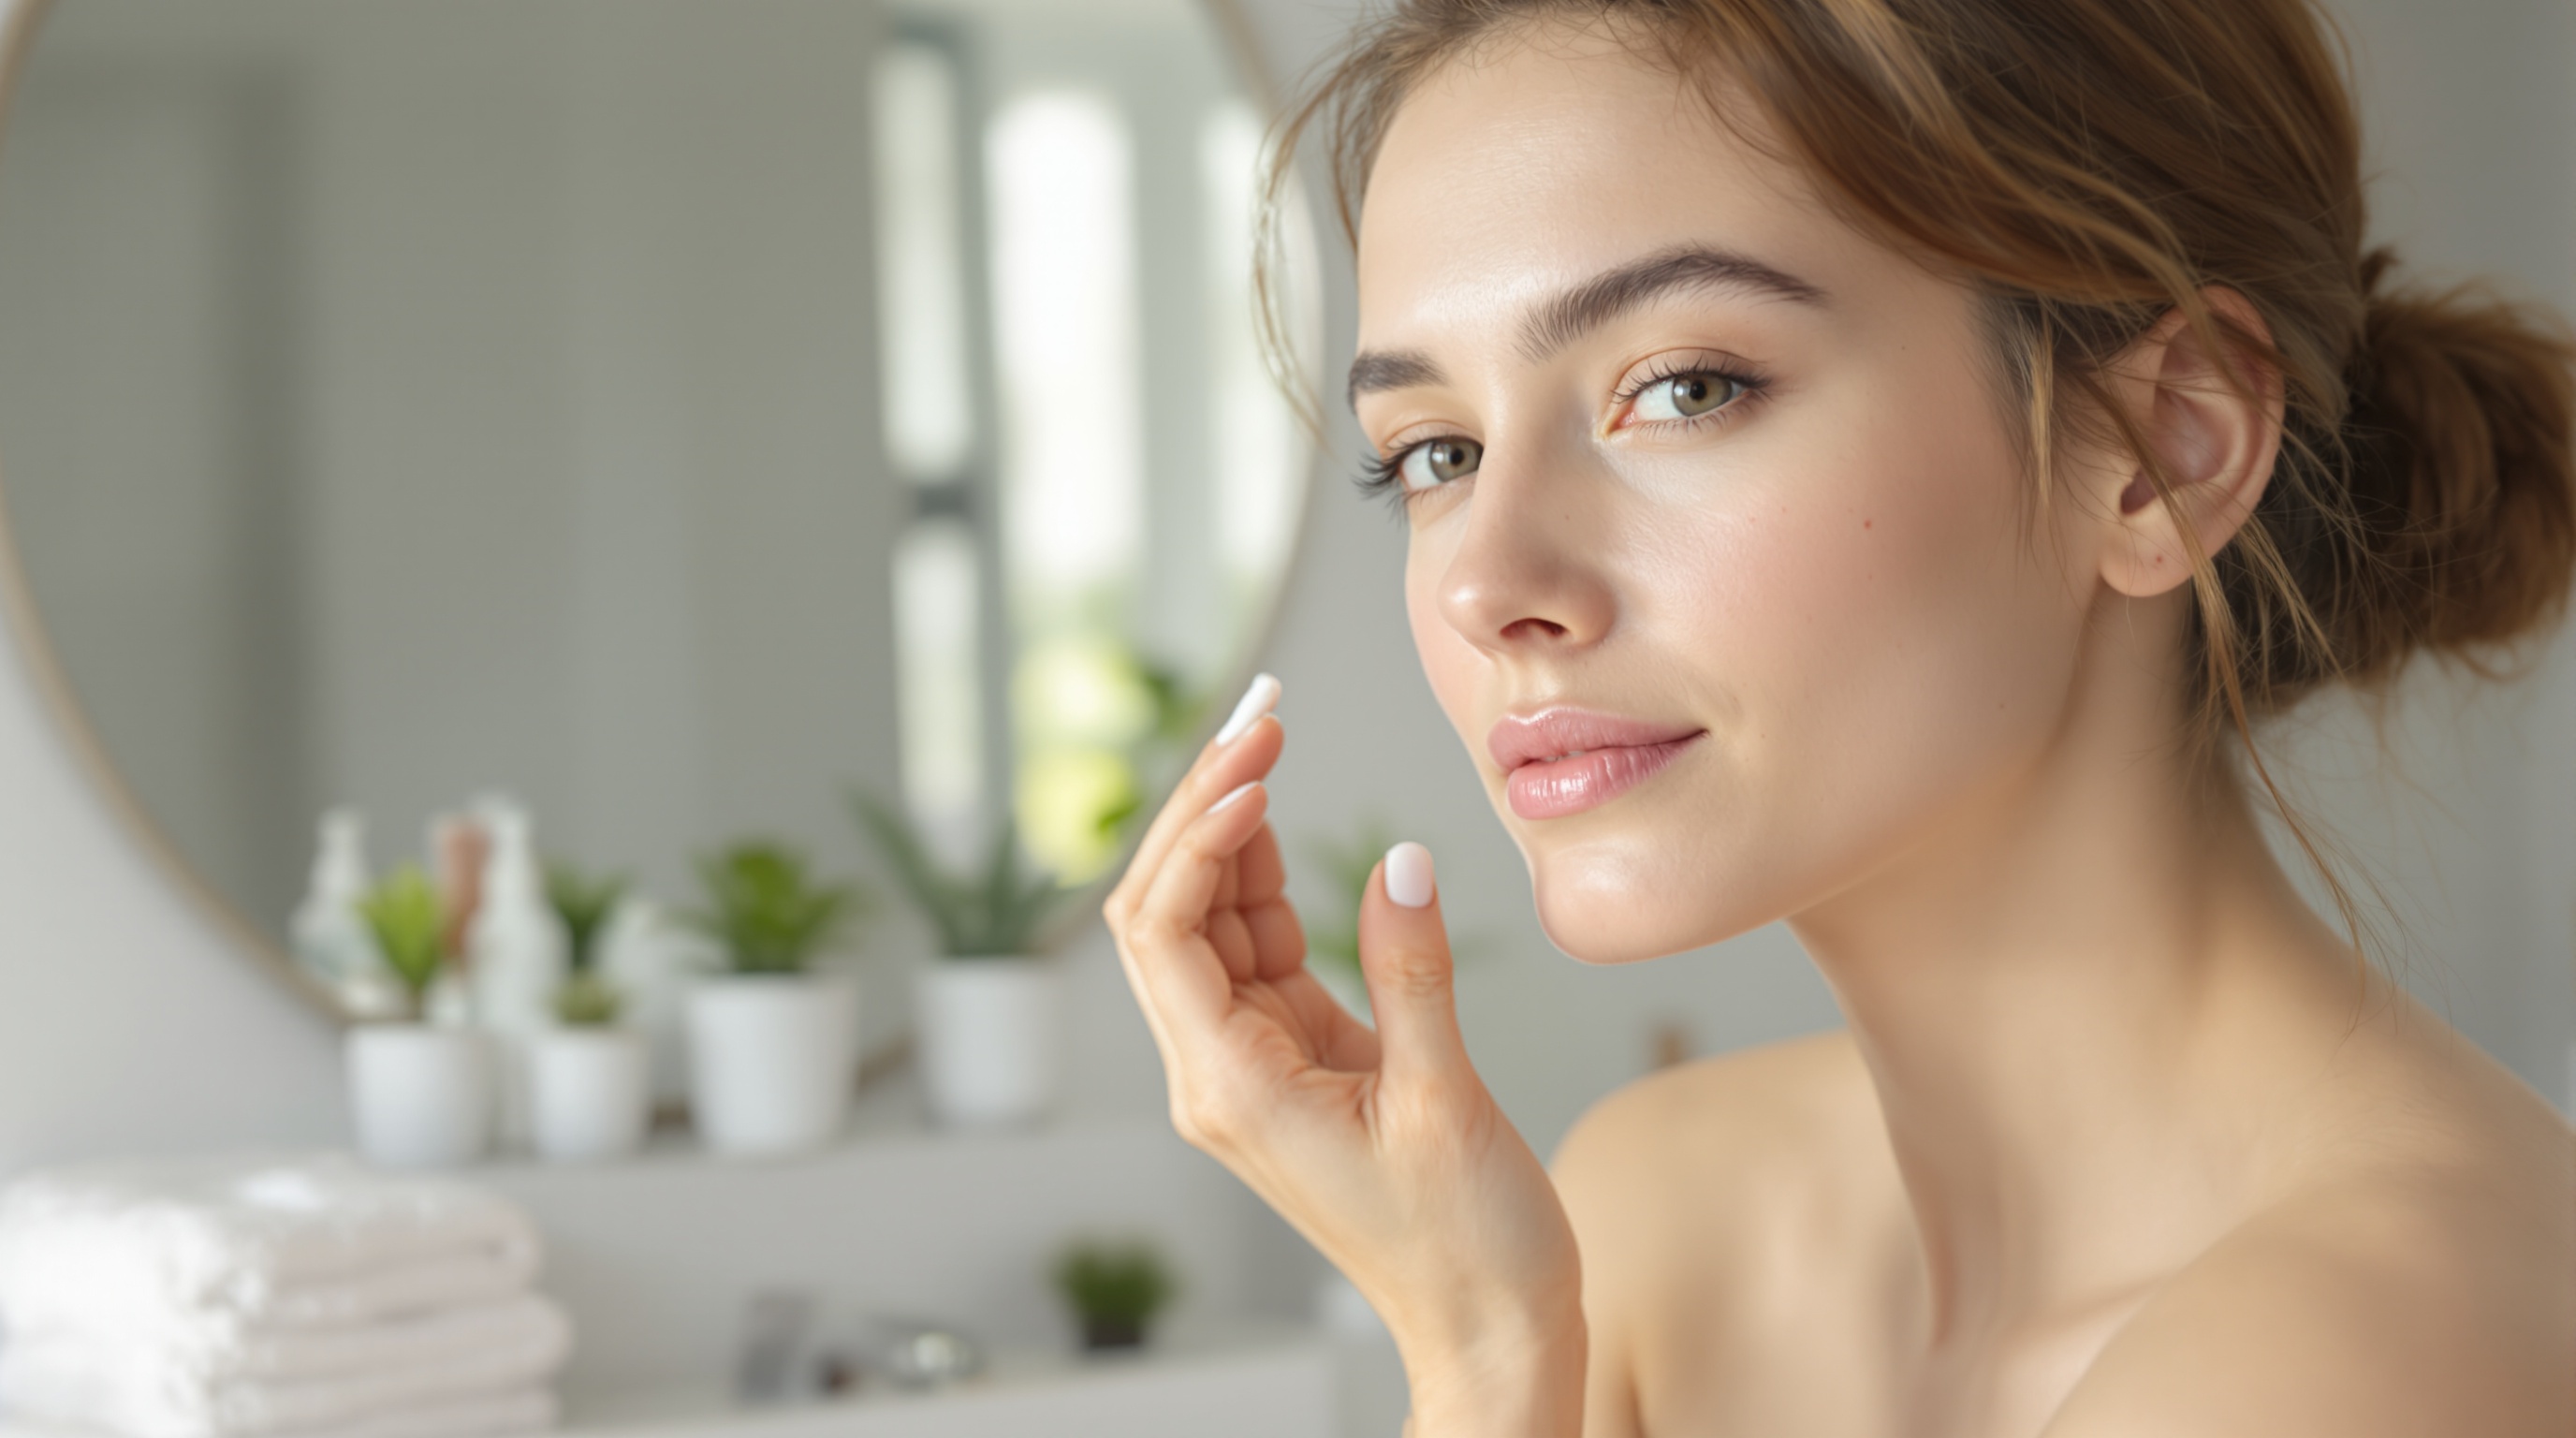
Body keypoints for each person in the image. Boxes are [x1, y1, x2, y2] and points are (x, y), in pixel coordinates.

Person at [1103, 0, 2576, 1431]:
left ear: (2164, 451)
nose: (1491, 583)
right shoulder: (1652, 1223)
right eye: (1435, 452)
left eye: (1683, 388)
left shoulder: (2357, 1360)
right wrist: (1485, 1351)